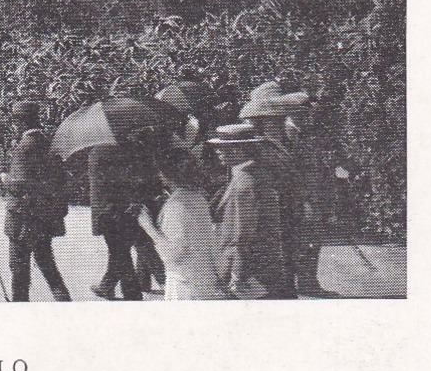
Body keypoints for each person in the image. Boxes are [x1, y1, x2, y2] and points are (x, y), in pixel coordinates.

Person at [240, 81, 336, 297]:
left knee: (302, 242)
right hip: (282, 200)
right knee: (284, 245)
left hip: (299, 197)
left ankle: (301, 283)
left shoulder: (291, 134)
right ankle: (290, 286)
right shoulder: (263, 141)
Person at [209, 122, 293, 299]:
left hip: (250, 269)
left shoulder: (244, 183)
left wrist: (237, 274)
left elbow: (243, 234)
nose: (218, 152)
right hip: (265, 264)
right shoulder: (256, 174)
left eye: (223, 148)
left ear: (239, 150)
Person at [87, 115, 165, 301]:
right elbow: (148, 181)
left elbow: (104, 187)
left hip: (110, 213)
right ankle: (110, 287)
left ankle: (132, 295)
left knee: (121, 254)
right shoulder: (135, 149)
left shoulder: (99, 152)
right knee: (128, 251)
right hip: (129, 210)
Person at [2, 102, 71, 302]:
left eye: (15, 122)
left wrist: (5, 179)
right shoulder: (50, 143)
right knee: (48, 266)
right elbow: (60, 181)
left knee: (19, 271)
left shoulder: (24, 148)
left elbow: (21, 185)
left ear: (21, 122)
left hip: (23, 220)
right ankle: (65, 303)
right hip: (46, 218)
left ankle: (20, 312)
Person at [136, 150, 227, 300]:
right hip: (205, 279)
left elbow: (175, 254)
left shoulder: (175, 206)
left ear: (165, 175)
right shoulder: (199, 198)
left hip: (185, 284)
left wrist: (148, 226)